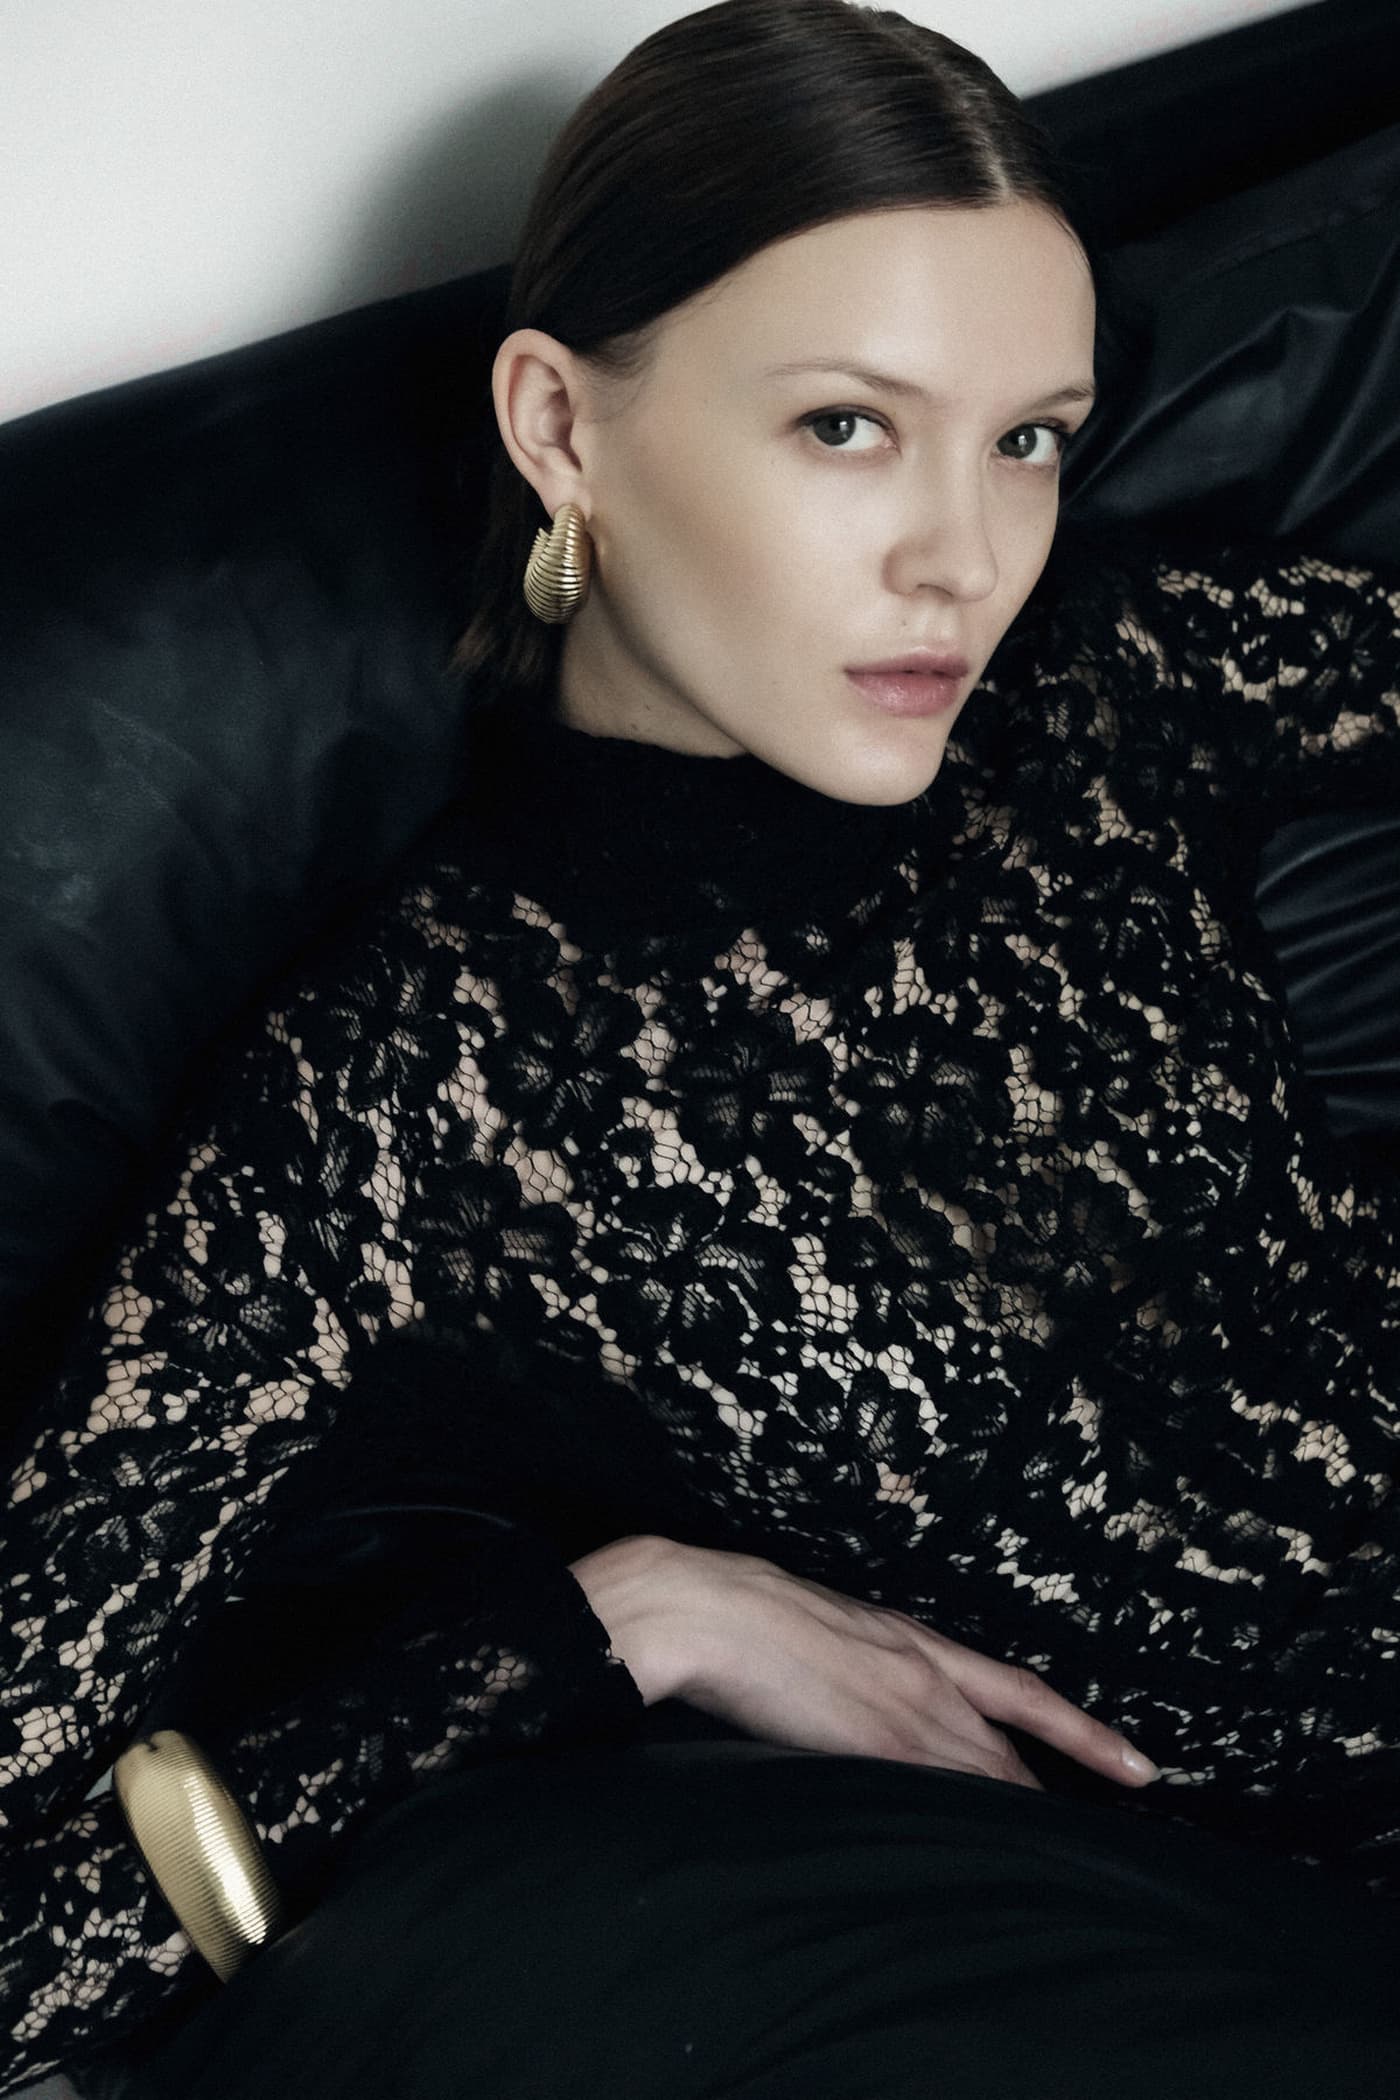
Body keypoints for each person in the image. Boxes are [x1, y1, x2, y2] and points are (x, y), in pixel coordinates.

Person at [5, 0, 1400, 2093]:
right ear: (560, 427)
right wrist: (619, 1624)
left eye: (1027, 437)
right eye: (847, 425)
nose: (964, 555)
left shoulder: (1106, 687)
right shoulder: (404, 1103)